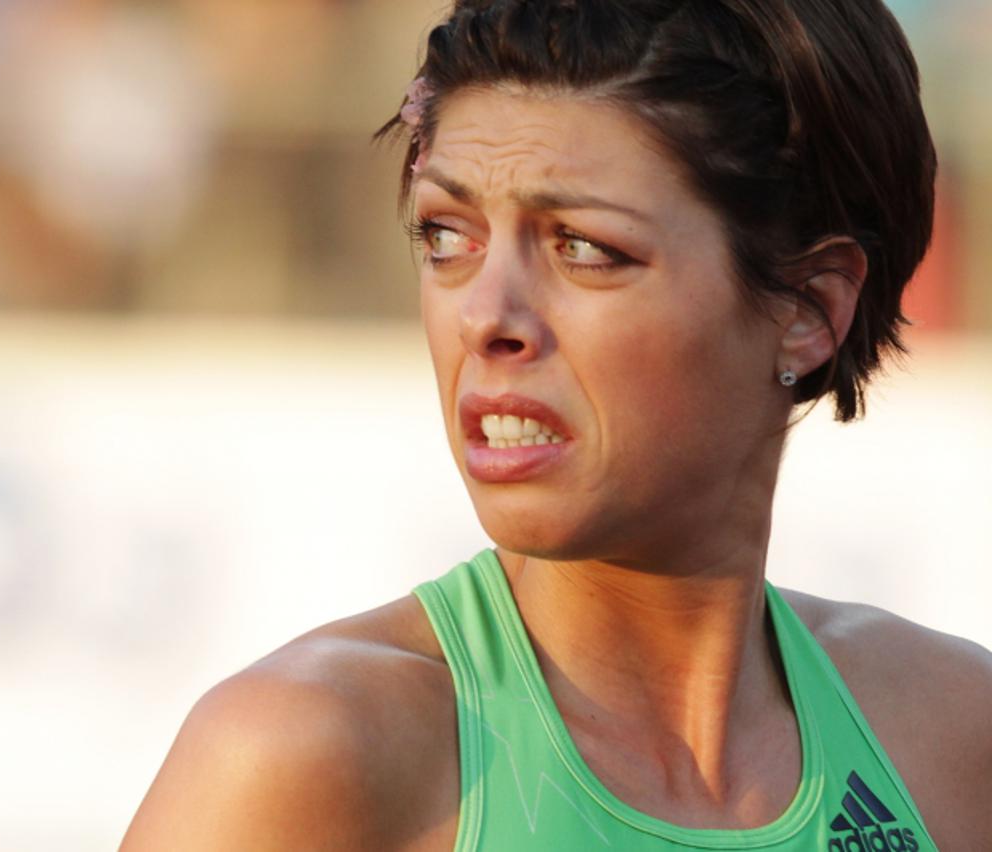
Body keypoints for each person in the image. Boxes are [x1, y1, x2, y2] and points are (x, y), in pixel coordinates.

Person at [119, 1, 992, 849]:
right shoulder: (303, 752)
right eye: (446, 237)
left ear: (809, 307)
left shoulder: (953, 736)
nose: (486, 316)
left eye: (583, 247)